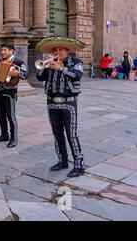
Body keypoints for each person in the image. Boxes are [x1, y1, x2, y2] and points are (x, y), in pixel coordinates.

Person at [36, 36, 86, 178]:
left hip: (68, 103)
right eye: (56, 50)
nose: (58, 52)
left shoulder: (76, 62)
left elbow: (77, 75)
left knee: (72, 134)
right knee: (57, 133)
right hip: (52, 103)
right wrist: (45, 65)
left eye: (61, 49)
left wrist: (61, 68)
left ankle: (79, 164)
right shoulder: (50, 64)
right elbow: (40, 77)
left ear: (67, 50)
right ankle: (62, 161)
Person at [0, 44, 28, 148]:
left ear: (12, 51)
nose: (2, 52)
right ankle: (4, 135)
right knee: (0, 115)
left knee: (11, 116)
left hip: (9, 93)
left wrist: (17, 73)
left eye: (5, 50)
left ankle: (13, 138)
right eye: (2, 50)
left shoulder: (18, 62)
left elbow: (25, 75)